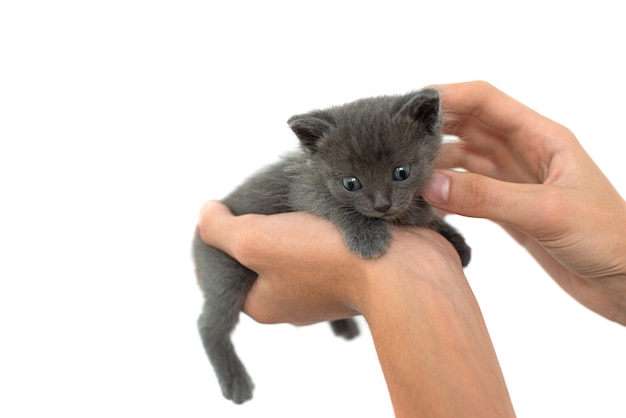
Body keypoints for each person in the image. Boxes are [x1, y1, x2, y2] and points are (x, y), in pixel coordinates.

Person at [197, 81, 626, 417]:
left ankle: (337, 322)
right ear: (313, 148)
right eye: (353, 184)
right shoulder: (316, 178)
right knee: (223, 308)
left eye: (402, 173)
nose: (382, 201)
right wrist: (357, 221)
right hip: (224, 250)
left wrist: (424, 249)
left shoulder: (406, 153)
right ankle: (217, 343)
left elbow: (403, 214)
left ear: (429, 130)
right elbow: (312, 203)